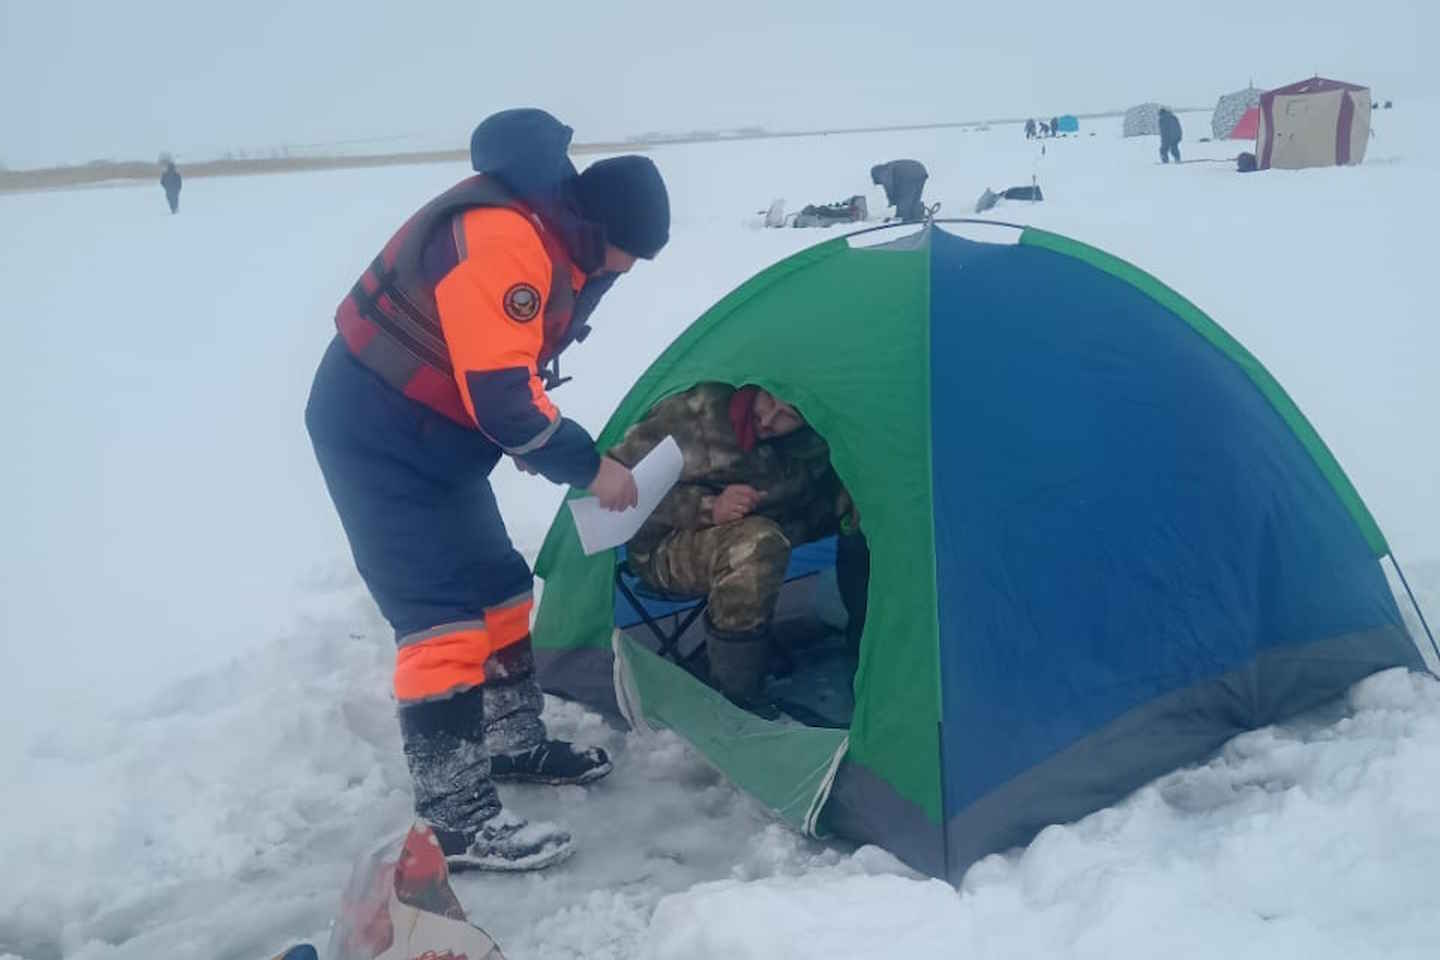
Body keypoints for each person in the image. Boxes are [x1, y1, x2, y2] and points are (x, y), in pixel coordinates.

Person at [305, 109, 670, 872]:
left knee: (499, 587)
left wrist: (530, 442)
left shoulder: (548, 238)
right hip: (375, 435)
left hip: (437, 439)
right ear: (597, 225)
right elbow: (505, 401)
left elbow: (501, 383)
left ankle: (511, 741)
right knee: (439, 620)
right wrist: (589, 465)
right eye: (625, 255)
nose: (623, 272)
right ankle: (455, 818)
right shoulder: (505, 242)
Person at [608, 383, 863, 716]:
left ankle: (867, 646)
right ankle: (738, 696)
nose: (770, 418)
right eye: (769, 400)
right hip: (664, 544)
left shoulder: (811, 438)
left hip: (766, 521)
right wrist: (707, 507)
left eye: (788, 415)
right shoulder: (692, 417)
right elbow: (611, 486)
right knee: (755, 546)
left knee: (864, 514)